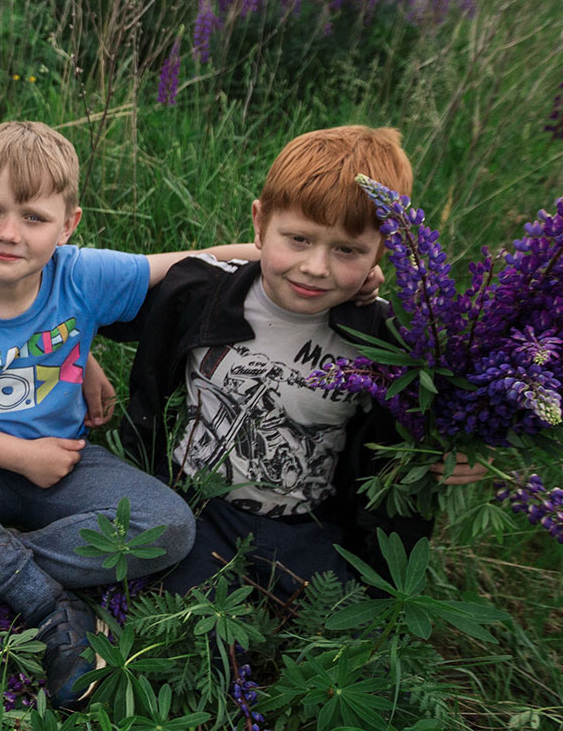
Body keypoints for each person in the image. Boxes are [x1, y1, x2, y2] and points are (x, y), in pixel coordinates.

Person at [0, 122, 253, 705]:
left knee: (169, 525)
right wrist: (21, 455)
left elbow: (196, 263)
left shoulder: (82, 273)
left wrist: (293, 263)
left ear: (68, 224)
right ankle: (46, 601)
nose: (9, 234)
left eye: (34, 218)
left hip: (65, 467)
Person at [105, 125, 468, 600]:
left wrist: (458, 453)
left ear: (384, 250)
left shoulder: (392, 338)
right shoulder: (203, 292)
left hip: (305, 526)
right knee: (167, 610)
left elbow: (446, 420)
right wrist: (86, 365)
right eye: (298, 239)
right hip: (191, 504)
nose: (316, 267)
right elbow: (87, 294)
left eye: (348, 250)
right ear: (259, 223)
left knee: (339, 632)